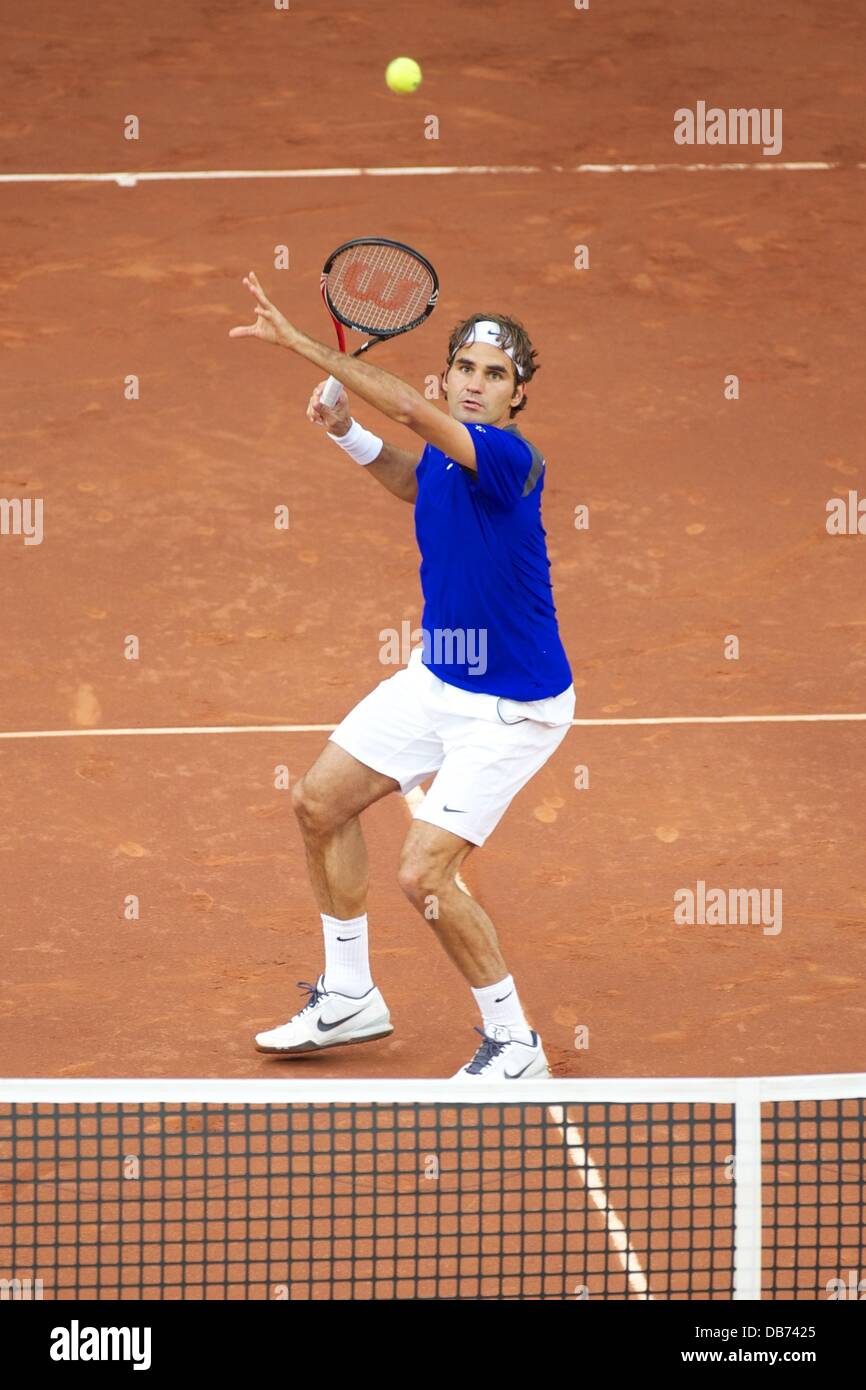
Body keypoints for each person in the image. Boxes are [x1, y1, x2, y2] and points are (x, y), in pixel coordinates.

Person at [230, 272, 574, 1079]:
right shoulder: (451, 465)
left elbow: (414, 415)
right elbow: (414, 480)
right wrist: (346, 431)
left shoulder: (508, 456)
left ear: (517, 394)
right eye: (468, 369)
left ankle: (514, 1041)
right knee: (318, 802)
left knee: (423, 871)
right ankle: (350, 995)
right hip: (438, 679)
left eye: (497, 375)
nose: (479, 384)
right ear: (449, 372)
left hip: (510, 708)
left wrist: (305, 347)